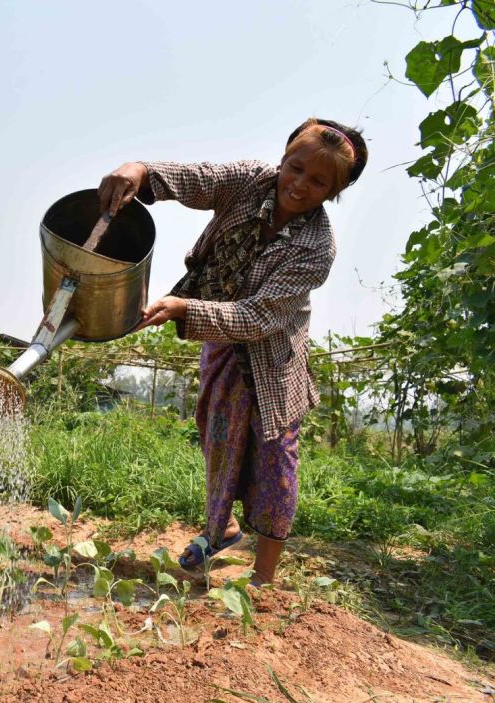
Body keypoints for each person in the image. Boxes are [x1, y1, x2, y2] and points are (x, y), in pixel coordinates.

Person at [98, 118, 367, 586]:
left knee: (275, 461)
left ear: (332, 192)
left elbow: (260, 317)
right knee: (217, 437)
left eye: (318, 181)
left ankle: (264, 578)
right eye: (295, 168)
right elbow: (197, 179)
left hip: (272, 362)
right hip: (222, 340)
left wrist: (184, 308)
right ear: (283, 159)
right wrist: (139, 171)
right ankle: (221, 527)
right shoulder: (248, 181)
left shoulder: (316, 247)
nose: (299, 185)